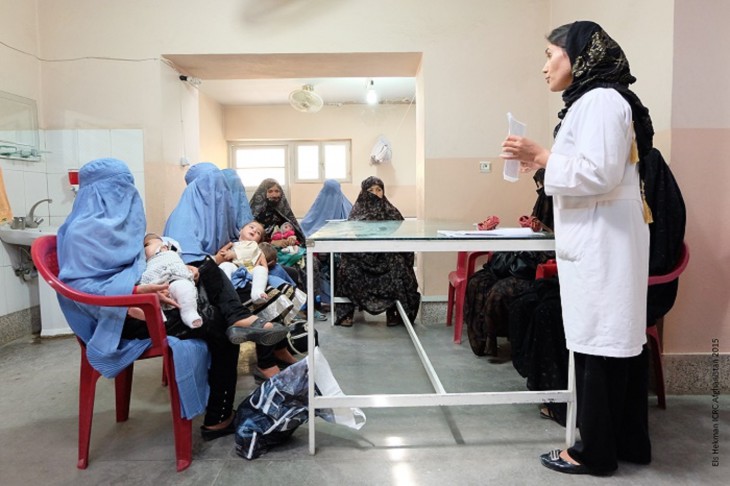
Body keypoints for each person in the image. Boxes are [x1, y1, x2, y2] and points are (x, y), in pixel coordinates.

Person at [500, 21, 652, 476]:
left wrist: (544, 156)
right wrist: (541, 163)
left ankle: (594, 453)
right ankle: (627, 444)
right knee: (611, 345)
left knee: (598, 346)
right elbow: (590, 171)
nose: (545, 66)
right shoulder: (595, 101)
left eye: (551, 54)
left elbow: (599, 173)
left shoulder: (601, 100)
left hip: (604, 243)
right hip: (604, 239)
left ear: (578, 55)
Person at [56, 158, 286, 444]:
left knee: (207, 271)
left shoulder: (121, 228)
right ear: (94, 193)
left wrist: (174, 268)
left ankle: (238, 318)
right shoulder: (81, 232)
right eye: (116, 189)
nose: (125, 196)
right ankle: (218, 416)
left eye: (127, 188)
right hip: (122, 317)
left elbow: (140, 264)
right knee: (220, 328)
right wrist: (136, 292)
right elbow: (81, 290)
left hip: (156, 299)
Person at [163, 162, 289, 346]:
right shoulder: (182, 218)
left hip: (227, 270)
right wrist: (217, 258)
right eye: (212, 188)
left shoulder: (218, 214)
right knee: (268, 296)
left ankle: (282, 346)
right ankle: (265, 357)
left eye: (222, 188)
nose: (219, 194)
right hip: (196, 280)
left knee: (277, 274)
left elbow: (235, 240)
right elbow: (185, 262)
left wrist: (254, 253)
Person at [335, 176, 421, 327]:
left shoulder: (391, 211)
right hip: (361, 259)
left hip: (386, 258)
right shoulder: (357, 212)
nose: (375, 193)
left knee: (400, 268)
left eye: (379, 190)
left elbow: (403, 235)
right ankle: (345, 313)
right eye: (371, 190)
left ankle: (394, 312)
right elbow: (351, 240)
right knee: (346, 268)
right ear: (364, 192)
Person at [141, 232, 202, 329]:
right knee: (150, 300)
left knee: (185, 288)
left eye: (147, 245)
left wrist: (189, 270)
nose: (144, 249)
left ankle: (189, 313)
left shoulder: (171, 253)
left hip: (176, 279)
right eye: (144, 246)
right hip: (154, 285)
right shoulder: (145, 265)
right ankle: (160, 320)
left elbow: (178, 260)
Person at [218, 220, 270, 304]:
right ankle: (225, 289)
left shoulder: (253, 246)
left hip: (249, 269)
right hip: (235, 268)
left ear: (259, 241)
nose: (254, 230)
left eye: (258, 233)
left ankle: (257, 293)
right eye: (251, 227)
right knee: (225, 265)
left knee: (261, 269)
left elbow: (247, 254)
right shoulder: (233, 244)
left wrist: (234, 254)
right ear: (241, 230)